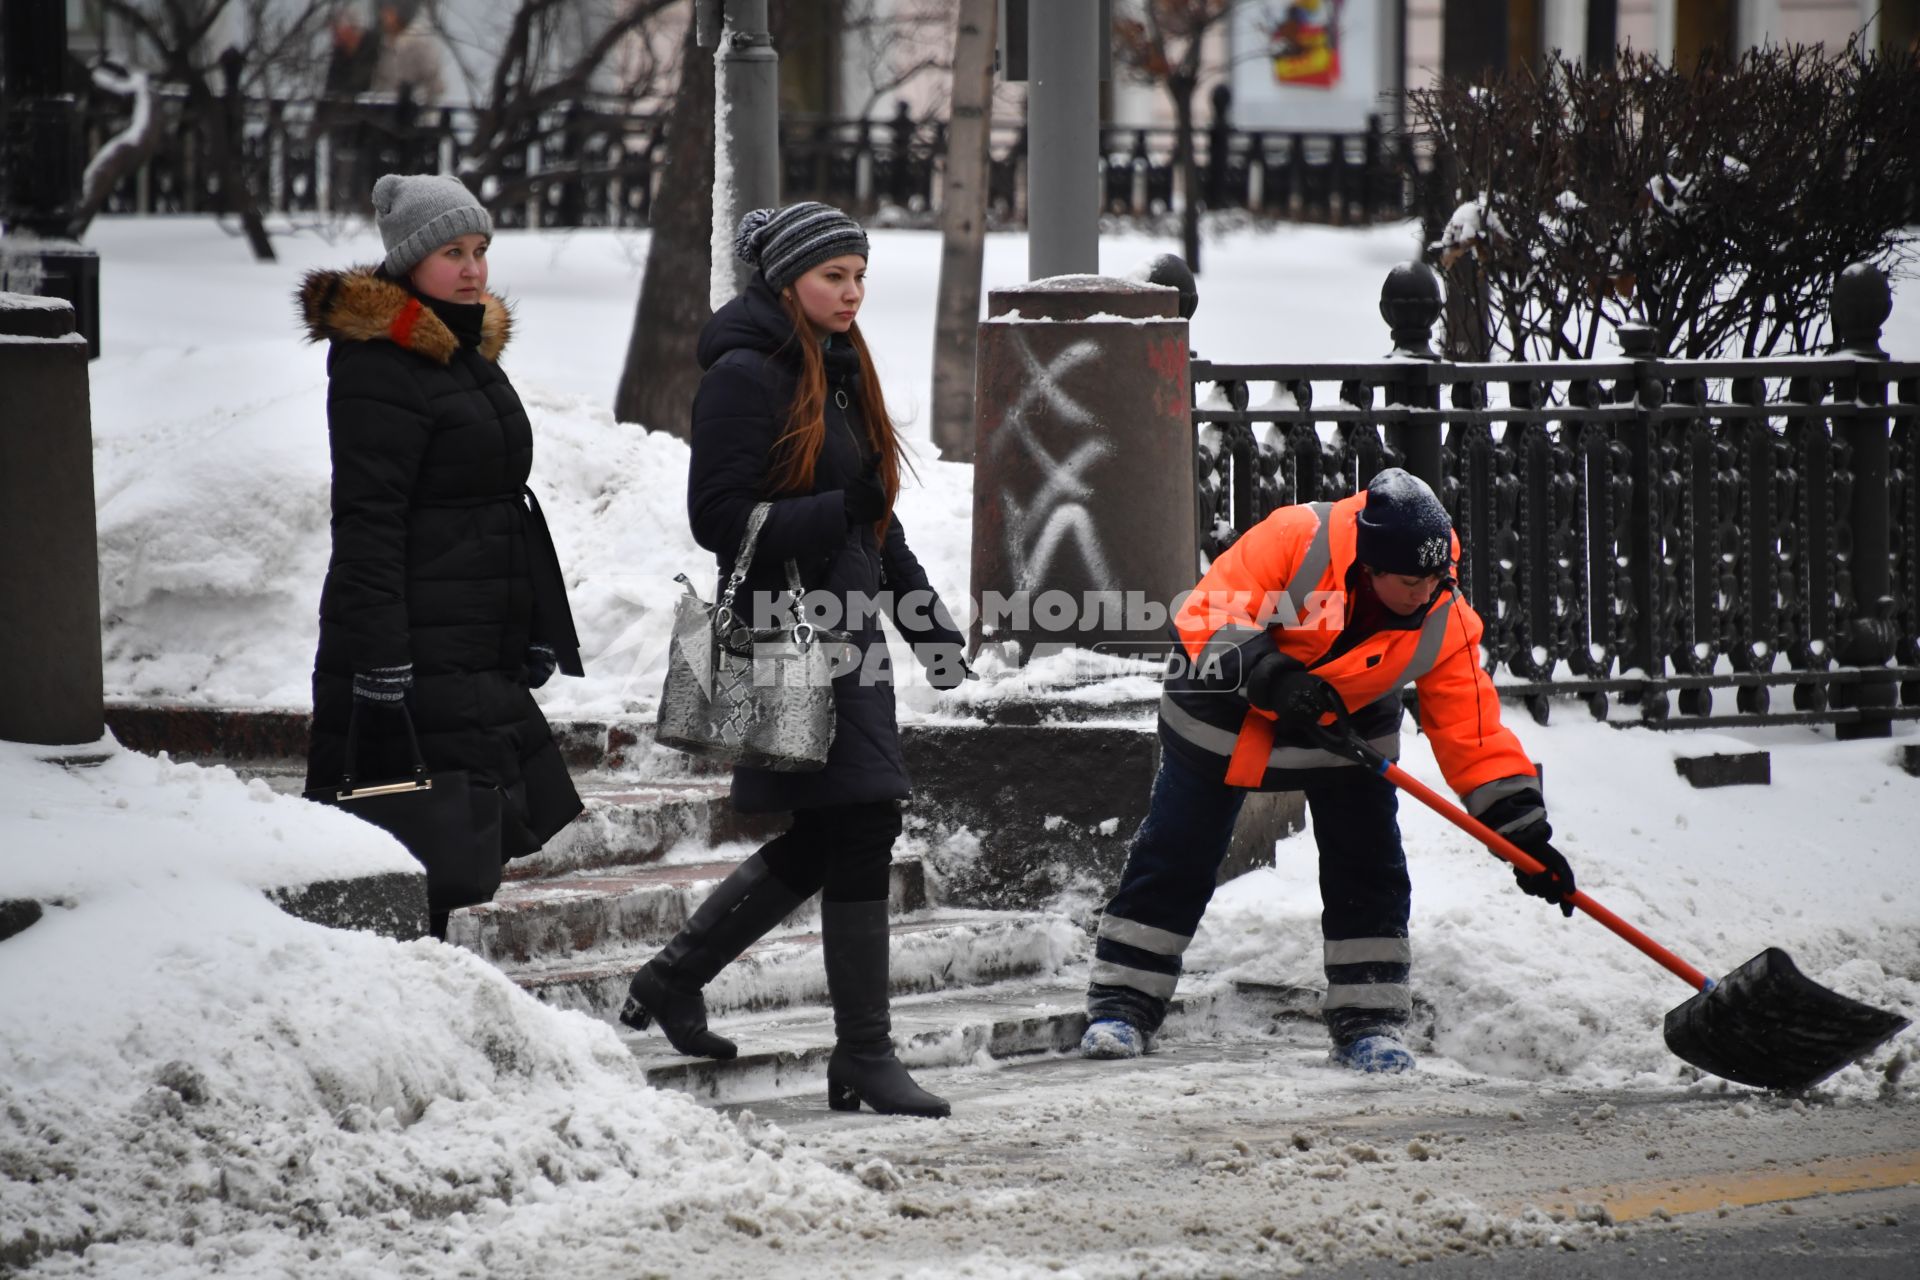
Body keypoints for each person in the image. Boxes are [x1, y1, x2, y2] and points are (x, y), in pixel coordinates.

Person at [619, 202, 968, 1119]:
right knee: (858, 824)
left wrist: (925, 622)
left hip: (846, 626)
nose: (851, 294)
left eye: (859, 277)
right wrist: (837, 513)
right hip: (790, 630)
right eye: (832, 278)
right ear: (787, 284)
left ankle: (673, 980)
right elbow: (718, 517)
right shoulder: (747, 374)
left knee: (838, 831)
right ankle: (863, 1054)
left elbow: (871, 517)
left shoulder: (839, 365)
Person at [1080, 468, 1578, 1072]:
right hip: (1223, 712)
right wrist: (1272, 676)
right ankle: (1122, 1004)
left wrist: (1524, 835)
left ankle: (1369, 1021)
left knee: (1369, 868)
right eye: (1407, 581)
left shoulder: (1444, 617)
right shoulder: (1298, 537)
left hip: (1348, 733)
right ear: (1368, 568)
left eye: (1434, 579)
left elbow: (1472, 730)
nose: (1423, 594)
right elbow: (1209, 610)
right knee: (1179, 853)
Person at [298, 172, 584, 940]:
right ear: (407, 261)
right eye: (451, 251)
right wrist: (381, 657)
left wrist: (526, 625)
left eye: (480, 249)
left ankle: (429, 985)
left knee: (459, 821)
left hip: (469, 634)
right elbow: (368, 522)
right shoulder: (380, 364)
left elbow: (493, 504)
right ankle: (399, 999)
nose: (472, 268)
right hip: (418, 637)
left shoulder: (460, 349)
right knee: (415, 825)